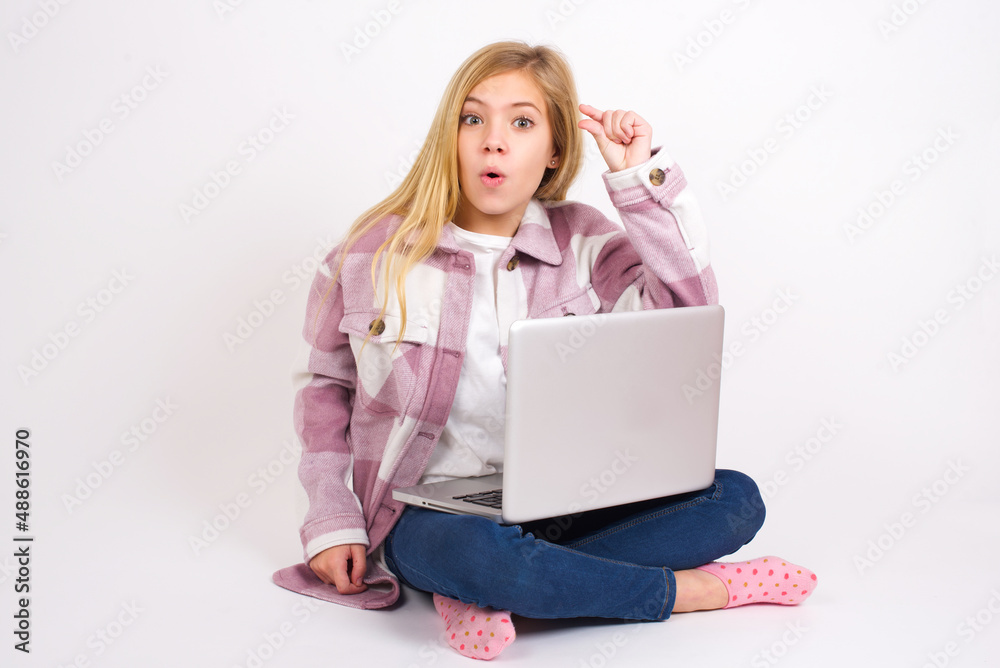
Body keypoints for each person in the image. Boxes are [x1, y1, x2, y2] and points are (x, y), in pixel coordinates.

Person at [272, 40, 817, 660]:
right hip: (429, 514)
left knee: (734, 501)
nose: (493, 142)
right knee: (472, 552)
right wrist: (332, 520)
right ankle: (691, 592)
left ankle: (489, 589)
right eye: (472, 118)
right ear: (450, 135)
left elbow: (686, 312)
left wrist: (636, 180)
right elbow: (324, 390)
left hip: (569, 500)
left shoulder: (585, 241)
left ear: (555, 149)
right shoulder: (370, 254)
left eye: (522, 123)